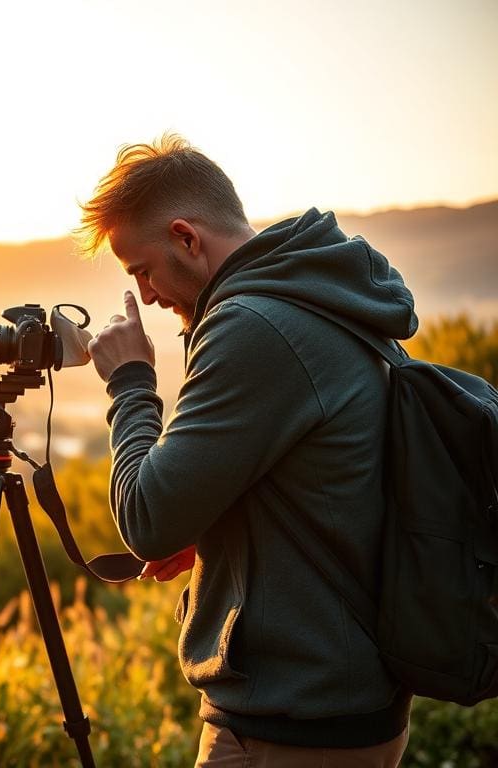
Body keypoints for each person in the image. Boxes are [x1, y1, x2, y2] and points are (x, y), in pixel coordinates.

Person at [79, 135, 415, 767]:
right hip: (331, 699)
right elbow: (322, 481)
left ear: (186, 237)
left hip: (297, 723)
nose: (146, 295)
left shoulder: (254, 326)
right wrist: (214, 526)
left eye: (141, 270)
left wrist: (130, 383)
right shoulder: (314, 294)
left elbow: (147, 522)